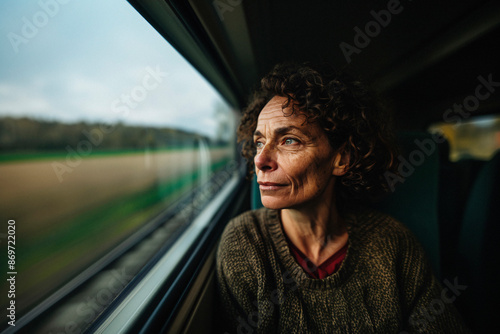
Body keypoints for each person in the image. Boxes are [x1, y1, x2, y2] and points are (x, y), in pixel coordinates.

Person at [215, 62, 468, 333]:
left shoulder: (393, 243)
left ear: (342, 158)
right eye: (259, 142)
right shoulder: (244, 244)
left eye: (289, 140)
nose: (260, 160)